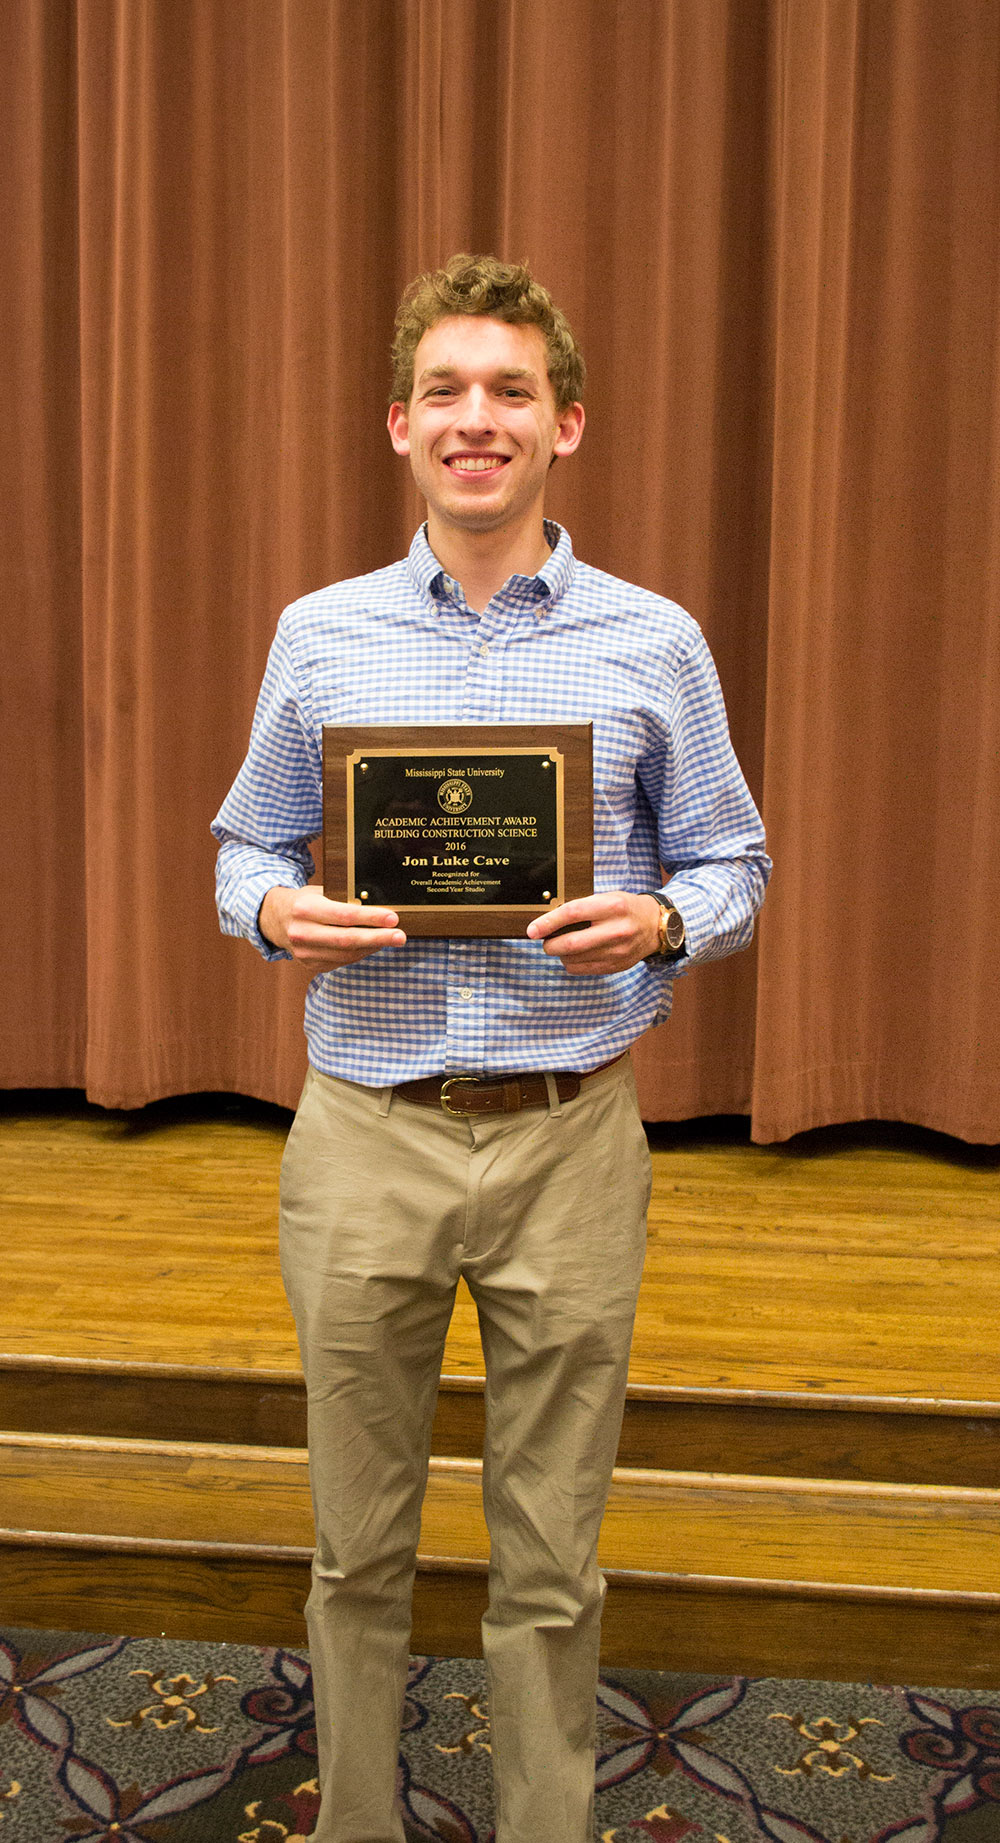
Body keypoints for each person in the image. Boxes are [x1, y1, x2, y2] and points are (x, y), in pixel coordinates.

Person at [212, 253, 770, 1843]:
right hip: (365, 1135)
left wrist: (664, 921)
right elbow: (245, 845)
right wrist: (277, 916)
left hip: (570, 1139)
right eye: (446, 391)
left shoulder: (655, 642)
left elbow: (735, 861)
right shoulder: (318, 634)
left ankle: (545, 1826)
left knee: (550, 1554)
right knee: (355, 1546)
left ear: (565, 425)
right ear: (399, 423)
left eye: (510, 391)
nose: (478, 419)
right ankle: (359, 1827)